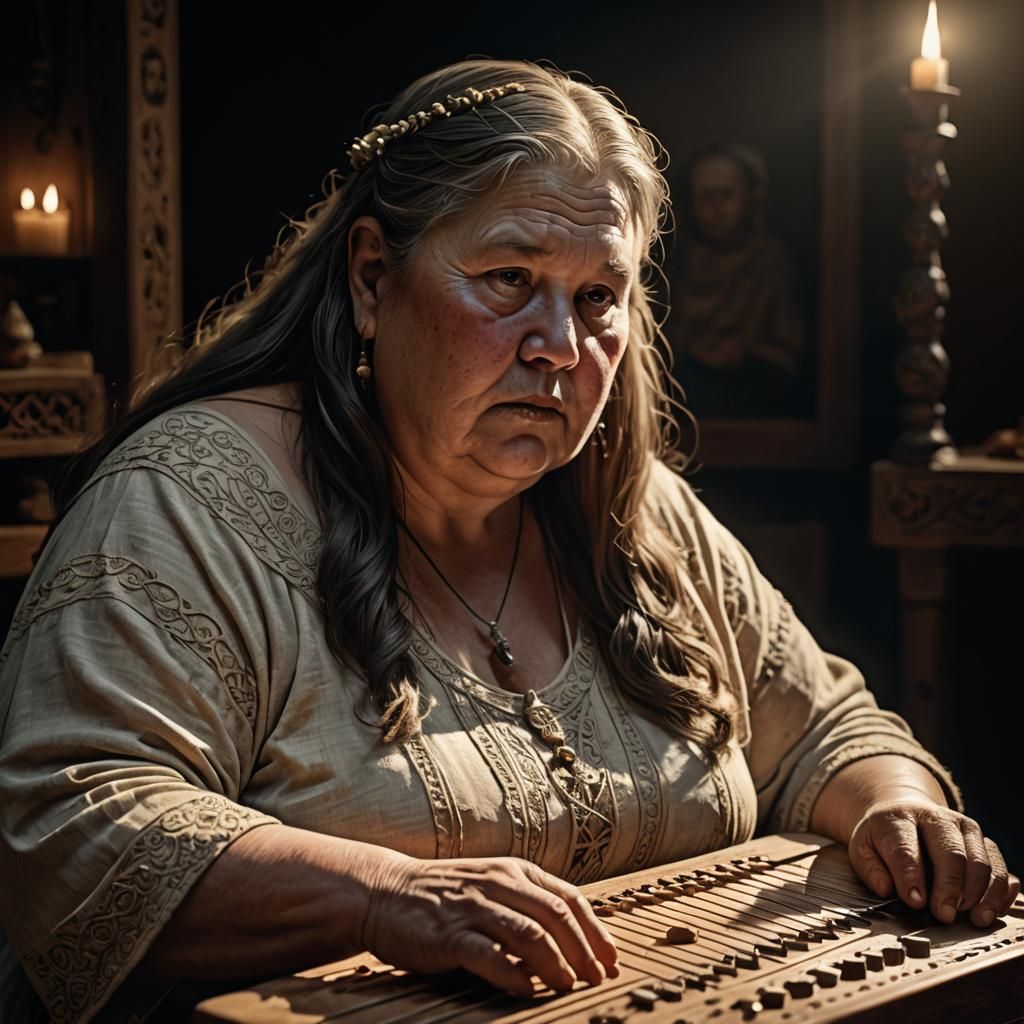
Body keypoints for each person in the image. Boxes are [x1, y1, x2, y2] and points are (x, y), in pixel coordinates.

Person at [0, 59, 1017, 1024]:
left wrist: (897, 810)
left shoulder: (631, 508)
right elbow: (72, 827)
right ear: (371, 277)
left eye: (597, 297)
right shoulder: (187, 496)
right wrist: (383, 896)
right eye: (509, 278)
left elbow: (826, 727)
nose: (560, 347)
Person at [670, 142, 806, 418]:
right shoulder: (679, 263)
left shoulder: (771, 264)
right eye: (706, 197)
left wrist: (745, 353)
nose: (716, 208)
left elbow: (789, 353)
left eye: (726, 195)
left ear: (750, 198)